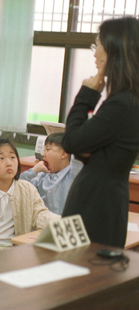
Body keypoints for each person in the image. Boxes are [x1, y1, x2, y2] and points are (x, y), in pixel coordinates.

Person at [62, 17, 139, 248]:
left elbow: (72, 142)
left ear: (114, 51)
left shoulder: (122, 104)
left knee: (76, 277)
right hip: (106, 201)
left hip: (95, 205)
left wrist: (86, 95)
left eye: (98, 46)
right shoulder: (129, 100)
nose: (94, 54)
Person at [20, 133, 82, 215]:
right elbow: (20, 186)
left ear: (63, 154)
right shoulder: (42, 175)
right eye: (44, 150)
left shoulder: (74, 174)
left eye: (48, 149)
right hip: (44, 223)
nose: (43, 154)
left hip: (65, 224)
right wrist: (34, 170)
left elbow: (81, 147)